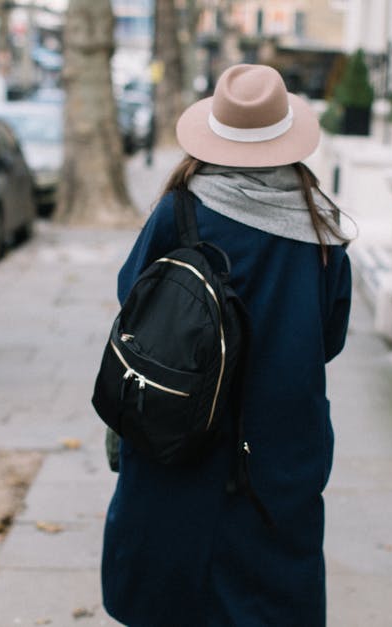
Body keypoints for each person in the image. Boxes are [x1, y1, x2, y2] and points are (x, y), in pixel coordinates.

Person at [101, 64, 355, 627]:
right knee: (271, 596)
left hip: (180, 432)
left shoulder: (180, 210)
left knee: (171, 592)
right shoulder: (321, 227)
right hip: (279, 442)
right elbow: (329, 337)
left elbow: (133, 301)